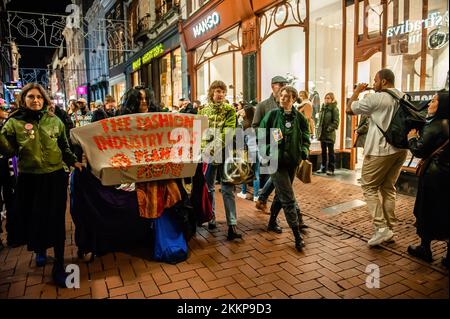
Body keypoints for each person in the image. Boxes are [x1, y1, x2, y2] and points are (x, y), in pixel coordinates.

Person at [0, 83, 83, 288]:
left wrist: (74, 161)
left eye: (39, 97)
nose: (35, 100)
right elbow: (9, 151)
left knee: (56, 219)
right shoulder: (14, 123)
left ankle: (59, 265)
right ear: (24, 100)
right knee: (36, 217)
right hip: (30, 179)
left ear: (45, 100)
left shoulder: (54, 121)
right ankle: (39, 251)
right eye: (31, 97)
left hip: (54, 177)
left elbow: (64, 146)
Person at [346, 68, 408, 247]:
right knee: (388, 187)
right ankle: (390, 228)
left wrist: (357, 91)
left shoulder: (376, 98)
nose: (372, 84)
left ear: (383, 81)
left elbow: (349, 109)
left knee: (368, 186)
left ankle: (381, 228)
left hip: (380, 150)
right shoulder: (403, 96)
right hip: (400, 150)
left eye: (375, 81)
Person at [259, 86, 310, 251]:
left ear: (294, 99)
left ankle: (272, 222)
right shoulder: (272, 115)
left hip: (292, 162)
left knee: (280, 196)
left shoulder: (299, 117)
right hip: (275, 162)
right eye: (281, 95)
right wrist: (267, 150)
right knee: (288, 197)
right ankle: (297, 235)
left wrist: (304, 151)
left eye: (287, 96)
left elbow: (305, 135)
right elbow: (261, 135)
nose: (283, 98)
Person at [406, 92, 449, 267]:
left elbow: (419, 150)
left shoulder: (436, 125)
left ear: (442, 105)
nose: (430, 104)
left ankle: (425, 248)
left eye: (434, 101)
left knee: (427, 209)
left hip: (434, 176)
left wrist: (412, 139)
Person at [199, 80, 242, 240]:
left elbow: (229, 131)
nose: (220, 94)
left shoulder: (230, 110)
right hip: (208, 154)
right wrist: (205, 148)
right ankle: (211, 217)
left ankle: (232, 224)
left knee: (228, 188)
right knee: (209, 187)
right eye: (217, 91)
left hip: (225, 154)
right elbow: (201, 131)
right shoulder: (203, 111)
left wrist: (213, 146)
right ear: (211, 93)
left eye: (223, 91)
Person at [252, 76, 288, 213]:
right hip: (268, 147)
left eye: (285, 84)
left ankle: (263, 200)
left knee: (278, 177)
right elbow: (255, 126)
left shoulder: (286, 105)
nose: (284, 87)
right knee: (274, 176)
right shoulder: (263, 105)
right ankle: (265, 202)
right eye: (281, 85)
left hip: (284, 148)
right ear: (273, 86)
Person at [236, 105, 259, 201]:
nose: (242, 112)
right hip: (257, 150)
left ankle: (244, 192)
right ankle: (256, 196)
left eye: (244, 111)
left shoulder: (243, 124)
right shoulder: (257, 123)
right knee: (256, 173)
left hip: (247, 151)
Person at [316, 92, 340, 176]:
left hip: (329, 134)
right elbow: (320, 121)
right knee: (323, 151)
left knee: (331, 152)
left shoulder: (334, 109)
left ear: (332, 99)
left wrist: (329, 129)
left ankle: (331, 168)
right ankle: (323, 167)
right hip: (322, 134)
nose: (326, 99)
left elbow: (336, 122)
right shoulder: (323, 108)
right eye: (325, 98)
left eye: (328, 98)